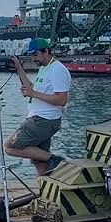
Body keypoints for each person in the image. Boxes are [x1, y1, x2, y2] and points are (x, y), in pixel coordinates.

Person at [6, 38, 71, 176]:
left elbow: (62, 99)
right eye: (32, 55)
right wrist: (19, 68)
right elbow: (31, 88)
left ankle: (56, 160)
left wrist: (33, 93)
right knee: (39, 161)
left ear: (46, 51)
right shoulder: (44, 68)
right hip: (41, 118)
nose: (33, 58)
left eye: (35, 55)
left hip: (43, 120)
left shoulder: (57, 70)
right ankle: (43, 191)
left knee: (9, 147)